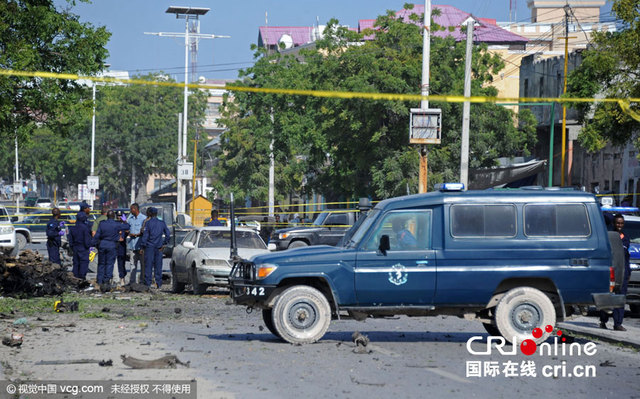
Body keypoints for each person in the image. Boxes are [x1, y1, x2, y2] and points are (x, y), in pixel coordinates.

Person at [600, 213, 631, 331]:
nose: (620, 225)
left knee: (620, 297)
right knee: (608, 296)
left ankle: (618, 323)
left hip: (622, 271)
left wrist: (628, 272)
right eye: (618, 223)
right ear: (613, 223)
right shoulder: (608, 236)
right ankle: (603, 320)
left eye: (622, 223)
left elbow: (626, 257)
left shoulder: (626, 238)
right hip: (610, 271)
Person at [92, 210, 130, 290]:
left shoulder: (102, 224)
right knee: (109, 264)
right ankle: (106, 281)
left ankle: (100, 281)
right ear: (114, 216)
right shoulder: (116, 224)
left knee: (101, 263)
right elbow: (127, 226)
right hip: (112, 245)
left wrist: (92, 244)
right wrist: (124, 221)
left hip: (102, 244)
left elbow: (97, 235)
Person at [140, 207, 171, 289]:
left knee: (148, 266)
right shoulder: (162, 223)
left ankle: (148, 284)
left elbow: (145, 236)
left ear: (150, 214)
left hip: (149, 247)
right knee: (158, 266)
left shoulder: (148, 223)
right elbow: (168, 234)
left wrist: (142, 246)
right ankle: (158, 283)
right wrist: (164, 244)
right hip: (159, 247)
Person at [68, 212, 91, 279]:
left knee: (76, 263)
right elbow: (87, 240)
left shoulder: (72, 228)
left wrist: (72, 247)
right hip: (83, 247)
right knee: (83, 263)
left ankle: (75, 277)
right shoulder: (85, 228)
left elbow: (70, 239)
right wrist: (88, 246)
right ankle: (82, 278)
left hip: (75, 247)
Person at [126, 203, 146, 284]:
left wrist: (136, 235)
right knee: (132, 264)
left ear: (135, 209)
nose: (130, 211)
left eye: (131, 209)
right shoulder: (130, 218)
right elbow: (127, 226)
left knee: (143, 265)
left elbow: (144, 232)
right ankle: (132, 282)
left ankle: (142, 281)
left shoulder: (143, 218)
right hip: (132, 245)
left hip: (140, 246)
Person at [114, 210, 128, 287]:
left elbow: (128, 230)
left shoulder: (124, 224)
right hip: (115, 244)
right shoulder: (115, 224)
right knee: (114, 262)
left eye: (121, 216)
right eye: (118, 216)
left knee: (122, 262)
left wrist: (125, 220)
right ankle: (115, 278)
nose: (119, 217)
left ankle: (122, 277)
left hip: (122, 245)